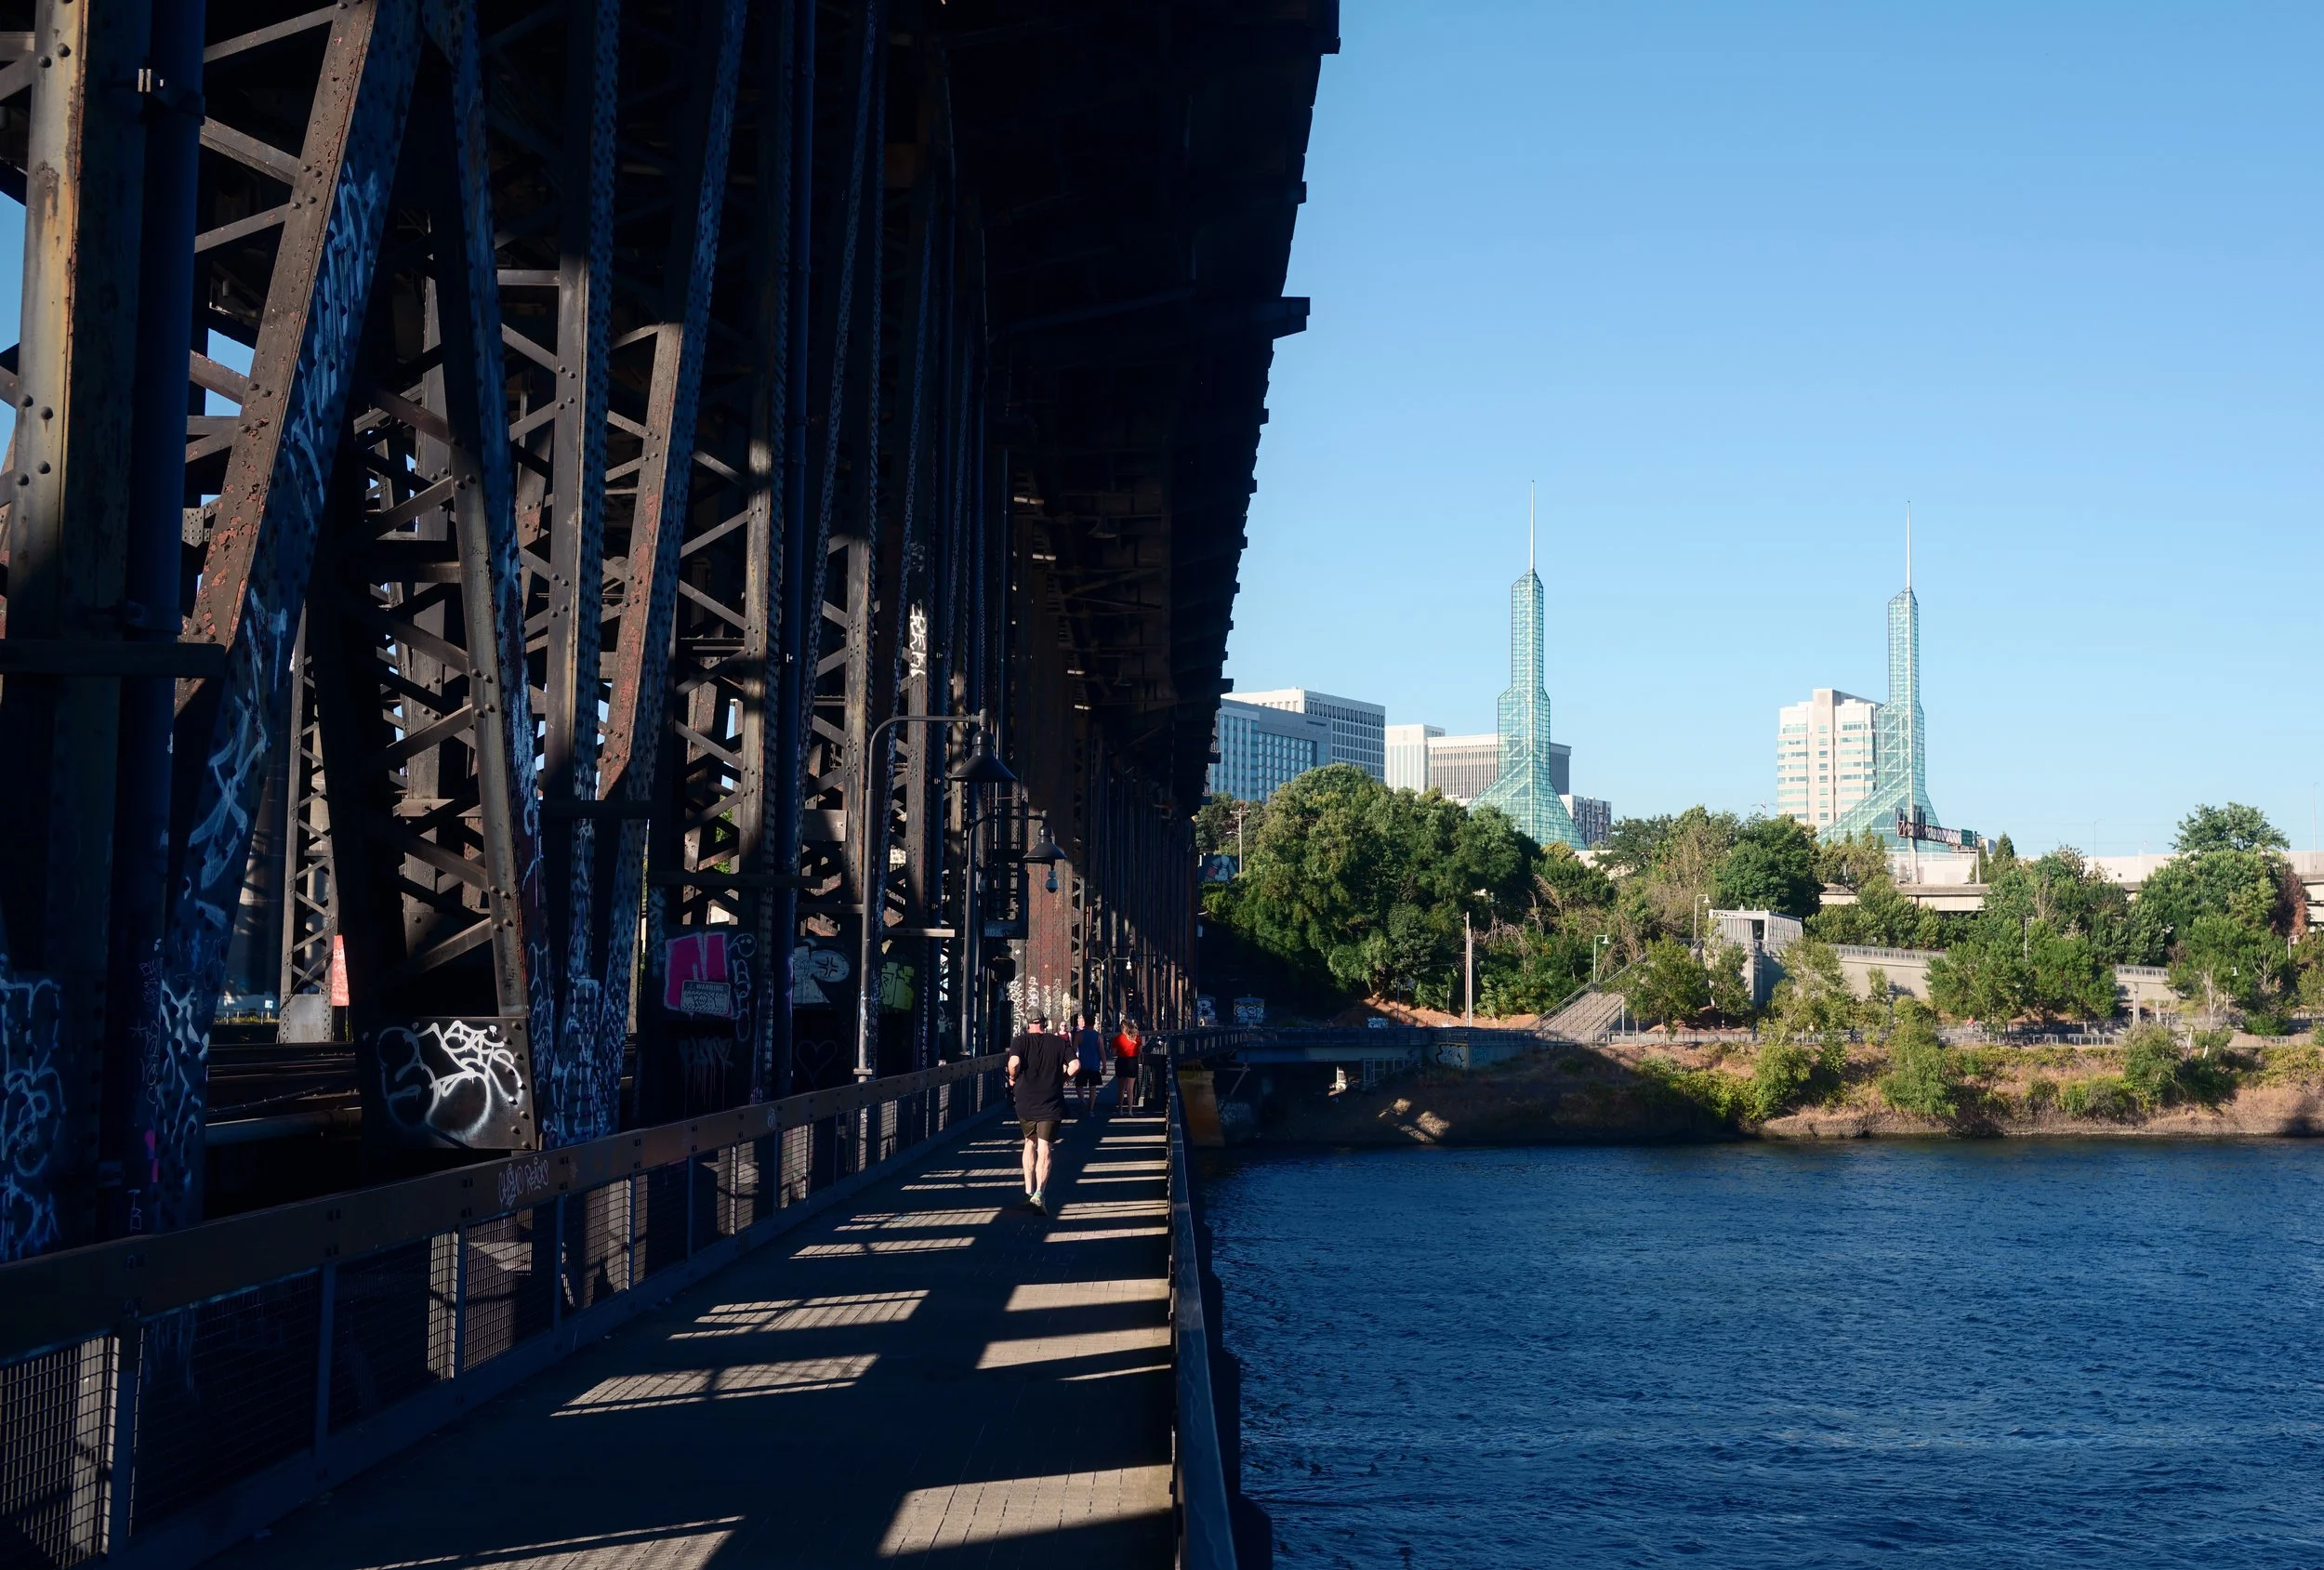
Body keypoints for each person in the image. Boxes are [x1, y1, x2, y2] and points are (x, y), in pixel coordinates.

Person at [1006, 1007, 1073, 1213]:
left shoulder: (1020, 1041)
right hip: (1051, 1100)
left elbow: (1014, 1062)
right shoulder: (1059, 1042)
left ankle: (1028, 1192)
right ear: (1045, 1022)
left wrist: (1012, 1077)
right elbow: (1076, 1065)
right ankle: (1039, 1195)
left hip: (1025, 1101)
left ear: (1027, 1023)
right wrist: (1062, 1079)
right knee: (1045, 1147)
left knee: (1029, 1143)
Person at [1072, 1012, 1106, 1118]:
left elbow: (1073, 1049)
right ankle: (1091, 1109)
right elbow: (1102, 1051)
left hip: (1082, 1064)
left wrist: (1072, 1062)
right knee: (1093, 1088)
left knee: (1079, 1086)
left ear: (1085, 1022)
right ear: (1094, 1023)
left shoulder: (1079, 1035)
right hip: (1094, 1064)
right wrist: (1104, 1065)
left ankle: (1083, 1101)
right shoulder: (1098, 1036)